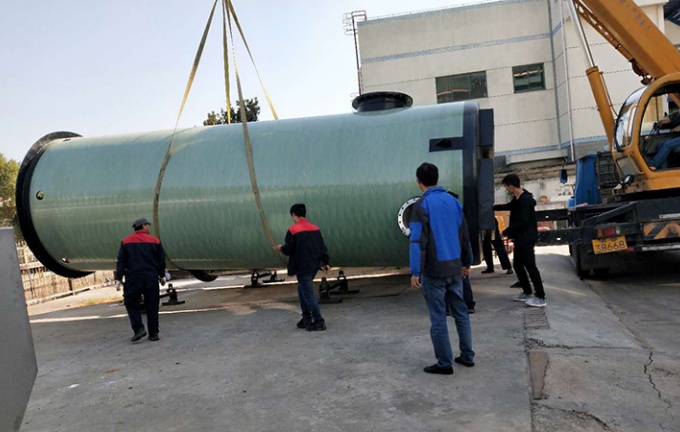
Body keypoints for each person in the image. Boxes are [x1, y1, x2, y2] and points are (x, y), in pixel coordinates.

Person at [410, 163, 474, 375]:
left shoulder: (421, 205)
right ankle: (467, 356)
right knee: (461, 313)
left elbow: (417, 241)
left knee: (438, 317)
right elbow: (464, 235)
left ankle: (444, 363)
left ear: (419, 182)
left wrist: (415, 271)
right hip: (455, 268)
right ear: (437, 178)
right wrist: (466, 263)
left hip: (434, 271)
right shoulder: (454, 202)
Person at [274, 203, 330, 332]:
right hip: (314, 265)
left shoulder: (293, 230)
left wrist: (280, 248)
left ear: (293, 215)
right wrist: (326, 262)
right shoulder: (315, 228)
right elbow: (322, 247)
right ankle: (306, 319)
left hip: (302, 267)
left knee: (308, 294)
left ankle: (319, 322)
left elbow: (288, 249)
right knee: (302, 291)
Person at [493, 174, 546, 307]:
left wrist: (506, 231)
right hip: (520, 238)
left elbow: (523, 221)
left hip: (526, 237)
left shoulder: (525, 200)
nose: (506, 189)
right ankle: (527, 291)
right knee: (517, 265)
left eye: (506, 186)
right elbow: (509, 206)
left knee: (530, 266)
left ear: (511, 186)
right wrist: (494, 208)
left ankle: (540, 296)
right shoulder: (517, 199)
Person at [115, 218, 167, 342]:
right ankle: (153, 334)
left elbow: (121, 261)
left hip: (133, 278)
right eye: (148, 225)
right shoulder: (155, 241)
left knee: (131, 302)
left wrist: (118, 278)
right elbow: (161, 260)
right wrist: (162, 275)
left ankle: (138, 329)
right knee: (152, 305)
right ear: (143, 226)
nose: (149, 227)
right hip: (151, 278)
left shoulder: (126, 242)